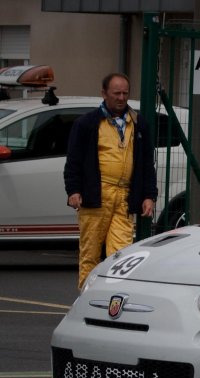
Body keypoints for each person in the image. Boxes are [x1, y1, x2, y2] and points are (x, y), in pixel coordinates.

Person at [64, 72, 157, 289]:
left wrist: (149, 195)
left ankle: (113, 299)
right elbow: (74, 161)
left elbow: (146, 163)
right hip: (96, 195)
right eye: (116, 93)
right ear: (104, 93)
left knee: (121, 255)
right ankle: (86, 299)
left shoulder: (137, 123)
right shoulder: (87, 124)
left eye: (125, 93)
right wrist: (73, 190)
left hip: (124, 197)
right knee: (90, 253)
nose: (121, 98)